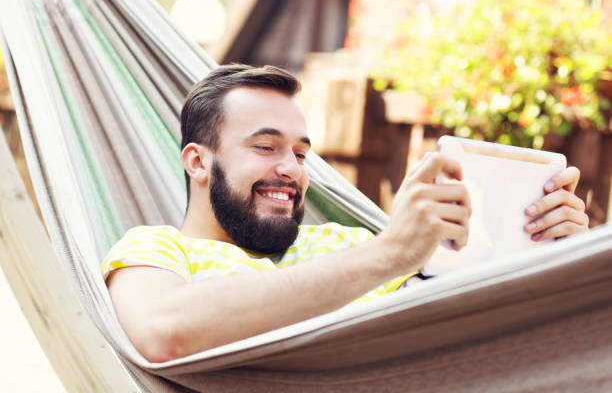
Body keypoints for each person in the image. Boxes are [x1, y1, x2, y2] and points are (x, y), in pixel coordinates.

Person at [102, 64, 589, 363]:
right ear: (198, 161)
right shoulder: (157, 250)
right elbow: (163, 334)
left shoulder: (345, 243)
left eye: (300, 153)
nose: (290, 168)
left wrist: (555, 258)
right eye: (267, 146)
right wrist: (390, 254)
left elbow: (483, 330)